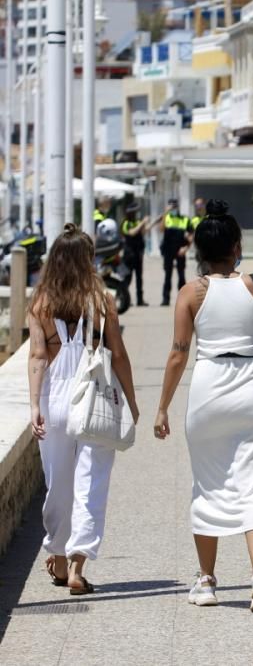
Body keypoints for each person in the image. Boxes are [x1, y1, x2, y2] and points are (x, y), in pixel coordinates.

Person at [153, 201, 253, 613]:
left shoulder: (190, 292)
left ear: (198, 252)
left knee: (207, 483)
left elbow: (177, 354)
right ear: (237, 247)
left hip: (209, 387)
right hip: (252, 385)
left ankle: (206, 581)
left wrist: (162, 407)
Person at [28, 224, 140, 595]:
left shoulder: (41, 302)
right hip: (93, 395)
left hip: (55, 396)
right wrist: (131, 400)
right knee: (92, 480)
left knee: (58, 482)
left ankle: (57, 557)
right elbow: (118, 354)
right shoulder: (102, 300)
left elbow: (37, 357)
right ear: (88, 259)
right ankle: (77, 565)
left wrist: (33, 405)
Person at [158, 198, 192, 307]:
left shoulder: (184, 219)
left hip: (180, 250)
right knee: (167, 275)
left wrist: (186, 248)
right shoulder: (166, 218)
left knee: (181, 275)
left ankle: (183, 299)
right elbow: (161, 229)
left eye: (174, 206)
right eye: (171, 206)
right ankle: (165, 299)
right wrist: (165, 213)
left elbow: (191, 235)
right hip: (168, 250)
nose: (173, 208)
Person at [120, 202, 149, 307]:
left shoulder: (137, 222)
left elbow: (143, 232)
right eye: (135, 211)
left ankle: (140, 300)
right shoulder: (125, 223)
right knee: (127, 278)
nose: (136, 213)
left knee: (139, 278)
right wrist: (142, 223)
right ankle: (124, 298)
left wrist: (145, 224)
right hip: (129, 254)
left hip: (138, 254)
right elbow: (131, 232)